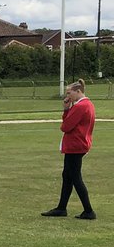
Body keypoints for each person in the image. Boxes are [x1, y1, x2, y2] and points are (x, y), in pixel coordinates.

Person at [42, 79, 96, 220]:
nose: (67, 96)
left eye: (69, 92)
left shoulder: (80, 106)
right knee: (67, 176)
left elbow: (65, 126)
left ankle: (89, 210)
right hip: (80, 144)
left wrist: (66, 110)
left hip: (75, 145)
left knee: (75, 177)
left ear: (78, 91)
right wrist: (67, 109)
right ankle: (61, 208)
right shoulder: (87, 104)